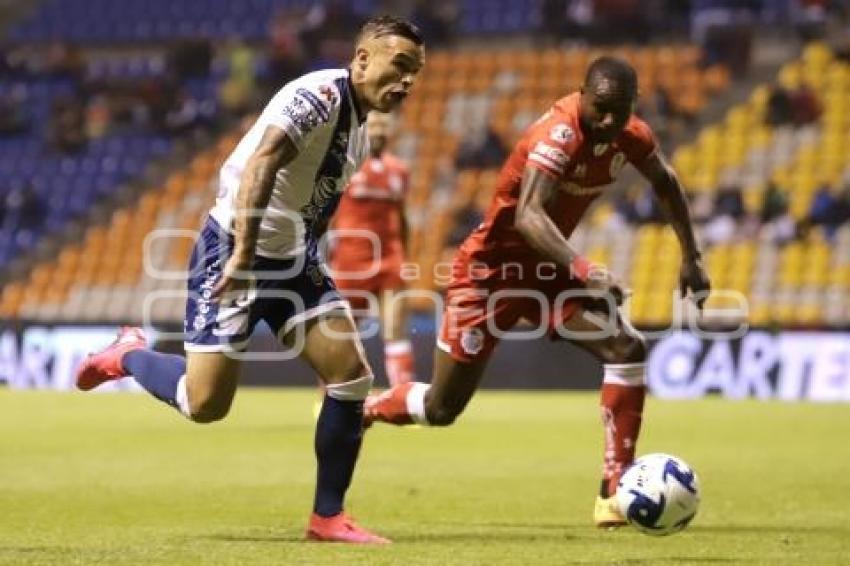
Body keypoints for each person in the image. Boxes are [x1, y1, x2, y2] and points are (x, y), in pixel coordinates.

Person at [74, 15, 425, 545]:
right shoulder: (320, 97)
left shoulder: (357, 128)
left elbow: (313, 199)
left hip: (293, 261)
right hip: (234, 251)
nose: (406, 82)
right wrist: (241, 252)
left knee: (351, 374)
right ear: (361, 59)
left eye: (414, 73)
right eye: (399, 66)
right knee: (205, 405)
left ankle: (327, 517)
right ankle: (126, 353)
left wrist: (308, 258)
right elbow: (265, 160)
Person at [364, 56, 711, 528]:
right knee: (440, 408)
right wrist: (585, 268)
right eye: (601, 108)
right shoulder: (560, 134)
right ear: (582, 95)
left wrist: (691, 255)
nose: (609, 121)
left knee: (626, 347)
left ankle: (613, 492)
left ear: (635, 106)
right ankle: (366, 407)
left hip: (548, 272)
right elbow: (529, 215)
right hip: (488, 274)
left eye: (621, 110)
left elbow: (666, 182)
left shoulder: (632, 135)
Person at [329, 111, 416, 386]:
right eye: (374, 126)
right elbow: (326, 215)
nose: (379, 132)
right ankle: (330, 398)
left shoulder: (399, 170)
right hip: (349, 262)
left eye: (384, 127)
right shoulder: (344, 165)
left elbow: (403, 217)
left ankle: (401, 396)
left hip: (390, 259)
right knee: (343, 334)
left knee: (395, 329)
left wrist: (405, 256)